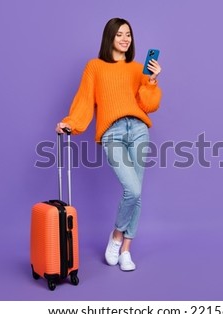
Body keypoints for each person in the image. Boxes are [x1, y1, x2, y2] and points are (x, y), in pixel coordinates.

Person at [55, 17, 162, 271]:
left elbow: (149, 105)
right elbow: (84, 100)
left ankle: (125, 248)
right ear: (110, 38)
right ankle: (116, 234)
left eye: (129, 34)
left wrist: (151, 81)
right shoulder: (95, 67)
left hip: (137, 130)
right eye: (120, 35)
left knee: (137, 193)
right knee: (132, 190)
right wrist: (70, 123)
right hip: (112, 133)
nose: (125, 39)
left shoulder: (138, 69)